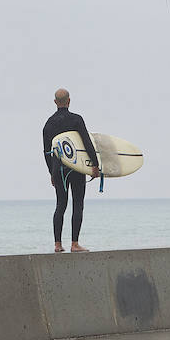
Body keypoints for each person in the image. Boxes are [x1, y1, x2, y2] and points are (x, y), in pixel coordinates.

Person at [42, 88, 101, 253]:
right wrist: (95, 165)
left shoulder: (48, 124)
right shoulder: (76, 120)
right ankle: (75, 244)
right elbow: (87, 143)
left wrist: (51, 172)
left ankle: (57, 244)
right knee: (77, 204)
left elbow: (47, 151)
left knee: (60, 204)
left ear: (55, 102)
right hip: (76, 167)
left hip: (58, 169)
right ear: (69, 101)